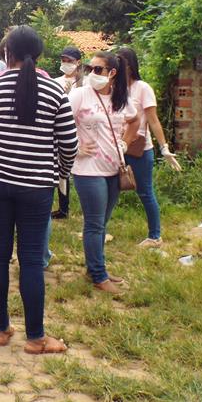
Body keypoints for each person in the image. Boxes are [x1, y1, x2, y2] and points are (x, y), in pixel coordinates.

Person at [0, 25, 77, 355]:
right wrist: (59, 174)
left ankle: (0, 330)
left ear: (7, 53)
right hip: (37, 188)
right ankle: (36, 338)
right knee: (30, 260)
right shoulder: (56, 92)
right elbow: (68, 145)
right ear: (40, 53)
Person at [69, 51, 138, 294]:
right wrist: (75, 145)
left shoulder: (120, 98)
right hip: (88, 169)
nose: (92, 74)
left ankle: (95, 267)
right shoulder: (79, 95)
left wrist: (125, 143)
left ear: (112, 73)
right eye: (90, 68)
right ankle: (98, 275)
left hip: (113, 168)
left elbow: (135, 120)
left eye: (98, 69)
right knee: (95, 223)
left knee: (103, 222)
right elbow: (60, 122)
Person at [117, 48, 183, 247]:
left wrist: (164, 148)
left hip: (139, 149)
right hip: (117, 147)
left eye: (122, 64)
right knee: (110, 190)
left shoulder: (142, 88)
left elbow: (153, 121)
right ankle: (98, 230)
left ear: (130, 66)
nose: (118, 68)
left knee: (145, 192)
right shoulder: (114, 89)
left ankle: (155, 236)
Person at [51, 46, 84, 220]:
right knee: (62, 169)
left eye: (69, 61)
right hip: (61, 132)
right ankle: (63, 207)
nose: (66, 64)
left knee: (80, 171)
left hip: (82, 132)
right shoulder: (56, 81)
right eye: (63, 60)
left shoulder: (85, 84)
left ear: (78, 63)